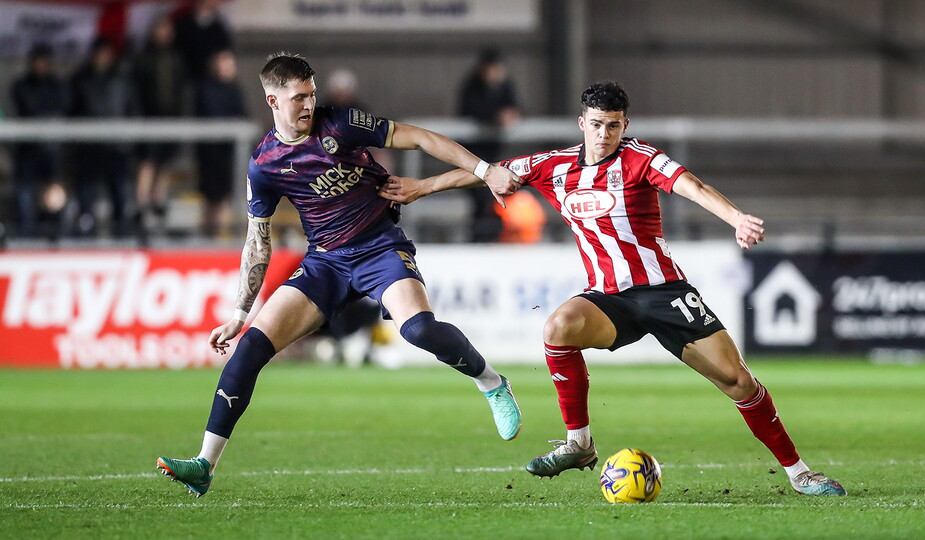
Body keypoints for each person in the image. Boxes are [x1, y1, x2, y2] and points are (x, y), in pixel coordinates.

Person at [380, 81, 847, 496]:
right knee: (558, 327)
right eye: (597, 125)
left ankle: (799, 472)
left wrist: (736, 218)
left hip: (665, 292)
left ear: (626, 125)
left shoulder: (643, 159)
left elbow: (694, 187)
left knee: (738, 381)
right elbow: (488, 173)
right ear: (582, 122)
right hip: (608, 299)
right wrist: (423, 186)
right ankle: (579, 444)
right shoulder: (553, 165)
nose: (605, 135)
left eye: (614, 126)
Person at [156, 53, 524, 498]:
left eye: (311, 94)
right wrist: (239, 311)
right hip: (326, 263)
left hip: (380, 247)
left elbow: (421, 138)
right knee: (249, 347)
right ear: (272, 100)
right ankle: (204, 464)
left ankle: (491, 382)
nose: (309, 104)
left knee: (420, 329)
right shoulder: (264, 163)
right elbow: (258, 241)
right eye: (298, 98)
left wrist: (485, 171)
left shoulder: (343, 124)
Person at [69, 36, 136, 237]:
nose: (102, 58)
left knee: (118, 192)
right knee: (86, 194)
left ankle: (121, 231)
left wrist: (128, 138)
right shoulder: (81, 80)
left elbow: (132, 109)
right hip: (88, 147)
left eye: (106, 54)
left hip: (116, 146)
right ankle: (85, 230)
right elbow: (73, 111)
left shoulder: (121, 80)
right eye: (99, 54)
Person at [132, 13, 189, 238]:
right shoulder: (144, 57)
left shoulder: (177, 58)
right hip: (148, 117)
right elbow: (138, 89)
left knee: (165, 162)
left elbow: (181, 89)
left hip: (171, 117)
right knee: (147, 161)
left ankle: (158, 201)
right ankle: (141, 203)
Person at [458, 48, 521, 243]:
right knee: (479, 199)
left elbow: (515, 107)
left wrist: (511, 114)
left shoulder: (505, 85)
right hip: (474, 154)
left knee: (499, 198)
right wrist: (496, 116)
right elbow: (469, 110)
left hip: (496, 153)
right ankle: (479, 240)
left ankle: (497, 238)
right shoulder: (472, 85)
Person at [9, 43, 69, 240]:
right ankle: (26, 234)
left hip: (51, 148)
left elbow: (62, 107)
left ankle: (55, 233)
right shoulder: (22, 85)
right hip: (28, 149)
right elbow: (29, 107)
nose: (40, 65)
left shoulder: (57, 84)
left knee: (54, 193)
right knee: (25, 192)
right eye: (37, 61)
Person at [195, 48, 246, 238]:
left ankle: (217, 230)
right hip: (211, 153)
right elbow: (210, 116)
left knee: (224, 196)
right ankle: (209, 231)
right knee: (211, 196)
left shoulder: (234, 89)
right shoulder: (206, 88)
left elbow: (242, 115)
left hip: (229, 153)